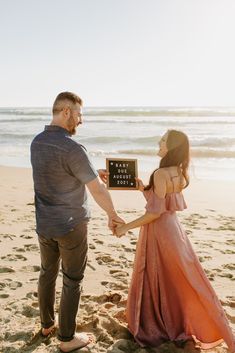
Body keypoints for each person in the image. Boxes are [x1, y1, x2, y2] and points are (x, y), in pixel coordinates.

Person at [114, 130, 235, 352]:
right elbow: (163, 204)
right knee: (182, 278)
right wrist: (143, 188)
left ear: (170, 147)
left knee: (158, 276)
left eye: (162, 140)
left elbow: (154, 213)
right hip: (175, 231)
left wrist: (124, 227)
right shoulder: (178, 172)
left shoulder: (160, 173)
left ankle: (159, 323)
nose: (159, 142)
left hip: (160, 232)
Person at [30, 91, 124, 353]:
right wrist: (113, 215)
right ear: (66, 112)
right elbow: (97, 190)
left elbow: (59, 172)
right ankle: (67, 338)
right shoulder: (72, 147)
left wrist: (94, 172)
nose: (81, 120)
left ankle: (47, 325)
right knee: (72, 279)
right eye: (79, 114)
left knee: (47, 272)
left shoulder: (36, 142)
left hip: (45, 224)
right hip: (71, 226)